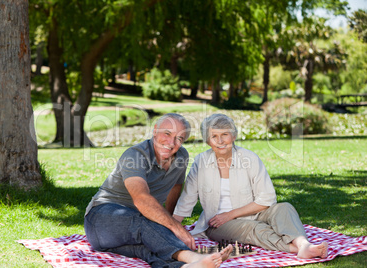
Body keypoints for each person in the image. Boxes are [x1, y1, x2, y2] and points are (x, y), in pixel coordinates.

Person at [84, 113, 233, 268]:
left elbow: (176, 187)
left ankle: (187, 266)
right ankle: (193, 257)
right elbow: (141, 199)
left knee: (152, 250)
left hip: (125, 237)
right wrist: (175, 228)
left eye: (179, 138)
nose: (171, 142)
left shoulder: (181, 157)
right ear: (155, 131)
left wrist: (171, 221)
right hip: (101, 221)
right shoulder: (135, 155)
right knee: (145, 222)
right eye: (167, 133)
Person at [173, 114, 328, 259]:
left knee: (285, 208)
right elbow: (187, 199)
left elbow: (267, 198)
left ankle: (304, 244)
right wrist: (171, 228)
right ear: (208, 141)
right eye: (214, 136)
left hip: (255, 214)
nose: (220, 141)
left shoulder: (249, 158)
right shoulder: (201, 162)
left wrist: (231, 214)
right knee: (252, 228)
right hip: (218, 224)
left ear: (233, 136)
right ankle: (295, 249)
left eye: (225, 134)